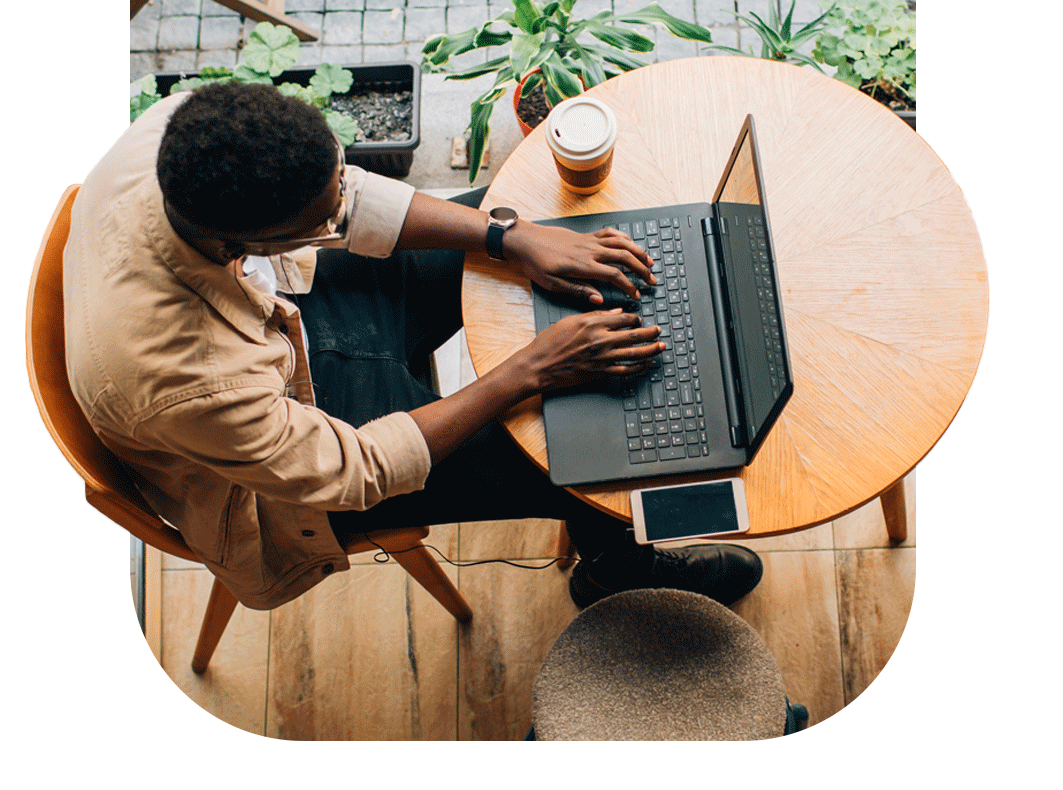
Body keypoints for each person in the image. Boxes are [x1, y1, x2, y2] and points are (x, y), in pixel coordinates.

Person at [64, 81, 761, 612]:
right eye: (324, 217)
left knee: (524, 221)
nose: (340, 208)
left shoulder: (180, 134)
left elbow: (344, 198)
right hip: (291, 454)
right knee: (574, 453)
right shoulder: (184, 379)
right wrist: (531, 370)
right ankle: (617, 572)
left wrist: (508, 236)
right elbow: (355, 470)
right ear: (245, 242)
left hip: (289, 312)